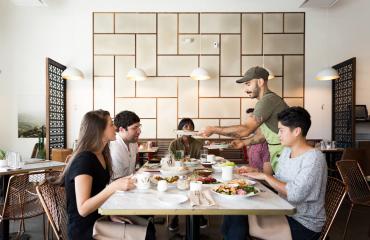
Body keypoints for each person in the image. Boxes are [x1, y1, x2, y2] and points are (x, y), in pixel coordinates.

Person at [60, 110, 152, 240]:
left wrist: (110, 215)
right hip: (85, 230)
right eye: (110, 124)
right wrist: (113, 187)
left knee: (149, 226)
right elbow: (83, 209)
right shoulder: (84, 160)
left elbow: (97, 193)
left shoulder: (102, 154)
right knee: (147, 235)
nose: (115, 127)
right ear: (99, 130)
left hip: (99, 217)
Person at [245, 107, 327, 240]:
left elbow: (295, 194)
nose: (278, 135)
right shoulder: (286, 152)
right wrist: (257, 173)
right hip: (283, 210)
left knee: (246, 221)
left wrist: (265, 176)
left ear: (297, 131)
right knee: (240, 215)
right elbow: (279, 181)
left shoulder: (314, 158)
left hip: (304, 223)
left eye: (281, 130)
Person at [200, 66, 288, 173]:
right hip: (278, 152)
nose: (245, 89)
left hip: (283, 153)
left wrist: (213, 129)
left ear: (260, 82)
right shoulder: (268, 100)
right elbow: (262, 136)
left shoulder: (267, 100)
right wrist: (244, 143)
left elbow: (245, 130)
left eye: (248, 84)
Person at [167, 118, 208, 231]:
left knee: (196, 188)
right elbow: (171, 159)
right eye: (185, 126)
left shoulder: (198, 143)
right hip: (179, 172)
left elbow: (202, 160)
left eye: (191, 127)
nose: (188, 129)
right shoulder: (174, 144)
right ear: (180, 129)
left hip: (195, 171)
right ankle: (175, 216)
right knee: (178, 190)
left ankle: (199, 215)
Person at [236, 108, 271, 174]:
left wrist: (254, 170)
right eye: (247, 119)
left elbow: (268, 174)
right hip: (252, 179)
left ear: (259, 121)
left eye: (250, 118)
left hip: (263, 183)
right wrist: (247, 169)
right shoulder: (252, 141)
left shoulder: (267, 143)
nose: (246, 123)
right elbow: (252, 166)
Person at [110, 110, 141, 179]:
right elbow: (117, 180)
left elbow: (134, 168)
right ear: (122, 129)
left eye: (139, 126)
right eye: (134, 128)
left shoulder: (133, 142)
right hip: (117, 188)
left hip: (131, 184)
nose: (139, 131)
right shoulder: (115, 148)